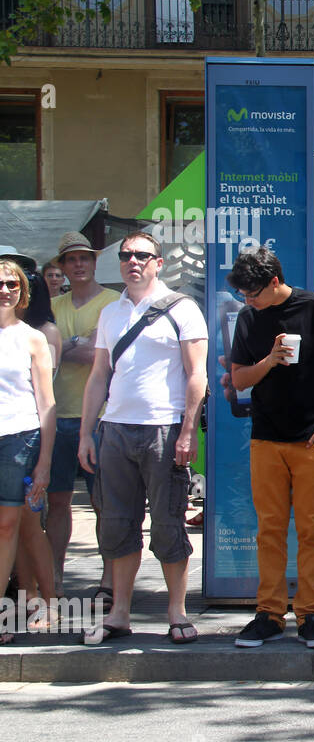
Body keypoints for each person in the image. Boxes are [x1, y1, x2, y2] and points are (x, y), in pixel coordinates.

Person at [78, 233, 207, 644]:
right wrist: (86, 431)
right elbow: (99, 375)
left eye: (141, 256)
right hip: (114, 429)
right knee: (116, 524)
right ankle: (119, 612)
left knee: (168, 524)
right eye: (126, 256)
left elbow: (196, 374)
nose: (133, 262)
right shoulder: (111, 313)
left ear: (158, 262)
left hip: (163, 429)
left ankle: (177, 611)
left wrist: (188, 430)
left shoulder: (182, 308)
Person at [228, 246, 314, 649]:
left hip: (313, 438)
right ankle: (269, 612)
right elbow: (240, 380)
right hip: (265, 438)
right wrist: (269, 360)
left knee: (312, 530)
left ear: (276, 281)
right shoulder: (248, 318)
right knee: (269, 529)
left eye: (254, 293)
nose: (248, 301)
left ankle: (311, 613)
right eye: (244, 294)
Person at [47, 233, 116, 601]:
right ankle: (54, 579)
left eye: (84, 258)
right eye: (71, 259)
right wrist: (79, 345)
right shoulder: (52, 306)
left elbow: (98, 357)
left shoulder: (113, 303)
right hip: (55, 417)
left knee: (103, 503)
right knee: (56, 503)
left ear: (94, 261)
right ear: (62, 266)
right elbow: (48, 355)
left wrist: (67, 345)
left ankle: (108, 582)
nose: (78, 265)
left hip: (101, 418)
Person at [0, 259, 56, 643]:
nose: (5, 290)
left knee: (13, 526)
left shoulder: (33, 338)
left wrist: (45, 464)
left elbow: (47, 404)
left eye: (12, 284)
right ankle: (40, 599)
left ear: (23, 292)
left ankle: (39, 604)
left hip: (20, 437)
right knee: (22, 528)